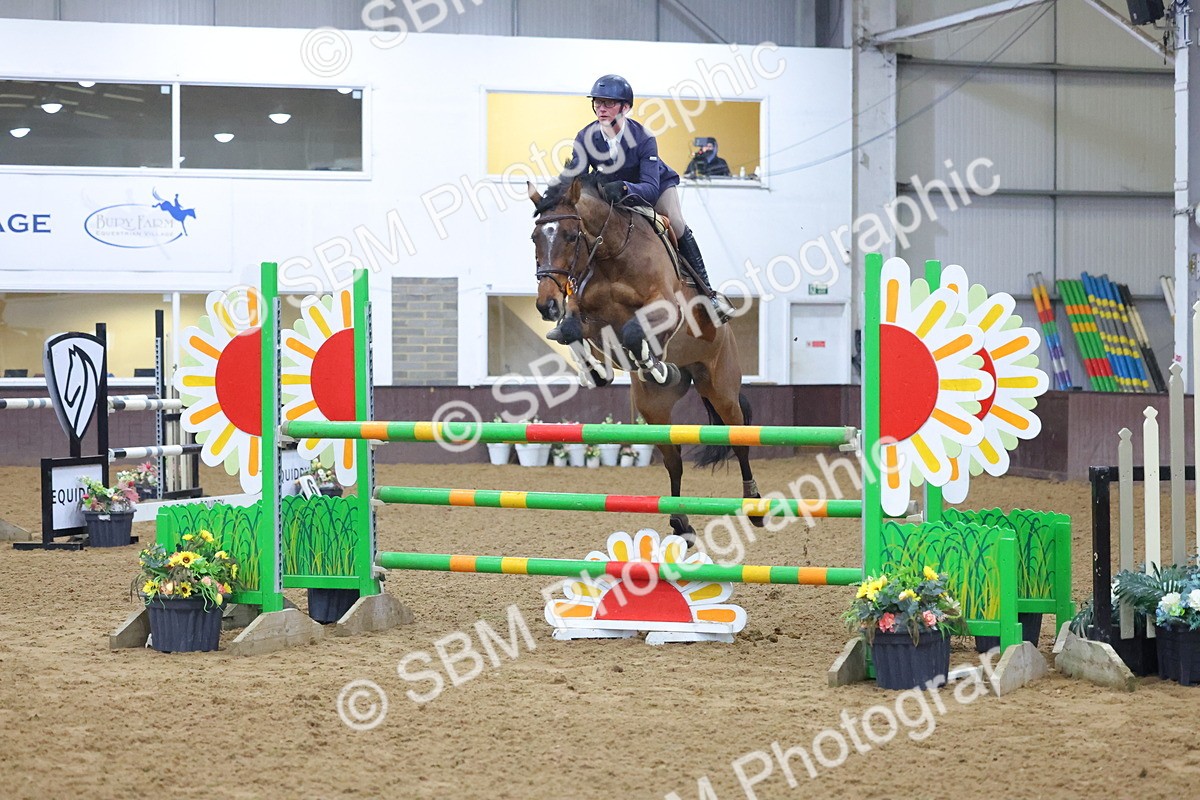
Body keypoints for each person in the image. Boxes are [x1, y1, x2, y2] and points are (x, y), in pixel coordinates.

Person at [547, 74, 734, 340]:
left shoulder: (643, 137)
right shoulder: (586, 136)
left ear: (624, 108)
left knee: (677, 224)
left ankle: (709, 294)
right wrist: (553, 198)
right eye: (598, 102)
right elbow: (573, 177)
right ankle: (571, 309)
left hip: (652, 188)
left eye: (609, 104)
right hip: (609, 198)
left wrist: (624, 187)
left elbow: (649, 186)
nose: (601, 108)